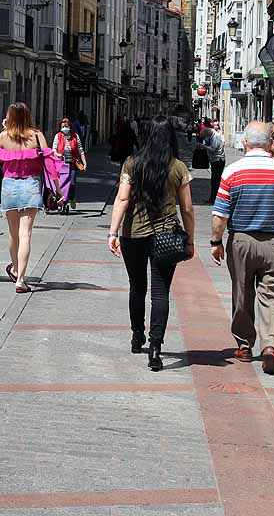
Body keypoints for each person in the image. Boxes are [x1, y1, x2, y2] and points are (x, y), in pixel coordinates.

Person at [210, 121, 274, 376]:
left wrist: (216, 242)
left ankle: (244, 346)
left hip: (241, 241)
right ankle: (270, 346)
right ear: (270, 144)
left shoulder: (232, 172)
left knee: (242, 293)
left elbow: (220, 214)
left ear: (245, 143)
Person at [107, 115, 195, 371]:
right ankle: (155, 348)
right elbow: (187, 209)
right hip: (166, 236)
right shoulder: (178, 167)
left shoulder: (132, 164)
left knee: (137, 287)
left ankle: (137, 335)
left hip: (133, 234)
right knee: (160, 293)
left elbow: (122, 200)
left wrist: (112, 233)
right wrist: (189, 239)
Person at [0, 103, 60, 293]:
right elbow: (50, 165)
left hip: (9, 186)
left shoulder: (4, 136)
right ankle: (20, 279)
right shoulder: (37, 136)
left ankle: (15, 268)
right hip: (30, 185)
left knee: (13, 233)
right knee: (26, 234)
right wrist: (58, 189)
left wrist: (6, 128)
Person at [52, 117, 86, 209]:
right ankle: (62, 200)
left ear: (70, 127)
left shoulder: (75, 136)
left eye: (66, 126)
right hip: (61, 164)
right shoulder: (58, 136)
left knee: (72, 183)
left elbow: (80, 150)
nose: (64, 128)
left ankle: (72, 198)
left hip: (72, 164)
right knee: (62, 183)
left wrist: (84, 162)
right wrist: (57, 154)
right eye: (63, 126)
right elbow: (53, 148)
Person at [200, 124, 227, 205]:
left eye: (205, 137)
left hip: (218, 160)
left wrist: (203, 146)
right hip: (214, 160)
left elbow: (213, 149)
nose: (205, 139)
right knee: (213, 180)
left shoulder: (215, 137)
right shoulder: (211, 136)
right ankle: (213, 197)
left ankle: (216, 198)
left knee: (216, 180)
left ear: (207, 134)